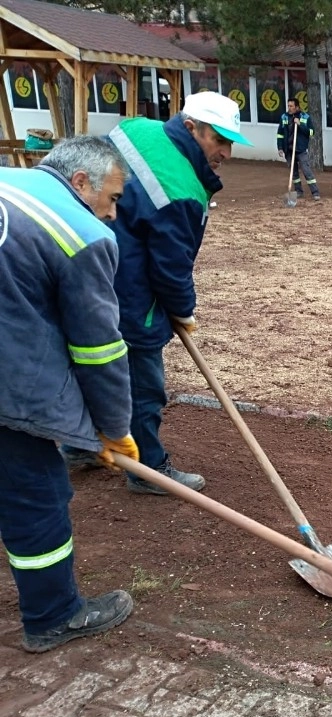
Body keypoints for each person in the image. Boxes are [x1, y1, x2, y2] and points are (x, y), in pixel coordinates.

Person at [62, 91, 253, 494]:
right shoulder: (182, 189)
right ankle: (148, 469)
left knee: (86, 362)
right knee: (143, 382)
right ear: (190, 128)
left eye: (229, 142)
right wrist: (183, 310)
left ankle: (81, 445)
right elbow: (170, 267)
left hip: (77, 268)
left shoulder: (135, 128)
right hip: (130, 292)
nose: (226, 152)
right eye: (218, 140)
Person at [0, 136, 140, 653]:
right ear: (81, 183)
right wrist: (114, 429)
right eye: (115, 198)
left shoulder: (6, 182)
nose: (113, 213)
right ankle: (54, 615)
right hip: (8, 388)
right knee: (34, 495)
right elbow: (99, 352)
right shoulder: (82, 235)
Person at [277, 97, 320, 201]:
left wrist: (300, 125)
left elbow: (312, 132)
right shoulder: (284, 117)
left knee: (306, 170)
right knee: (294, 173)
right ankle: (298, 191)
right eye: (288, 106)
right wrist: (280, 147)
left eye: (291, 106)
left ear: (297, 107)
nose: (289, 108)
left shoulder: (305, 117)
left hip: (300, 149)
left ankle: (315, 192)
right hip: (289, 150)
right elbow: (280, 134)